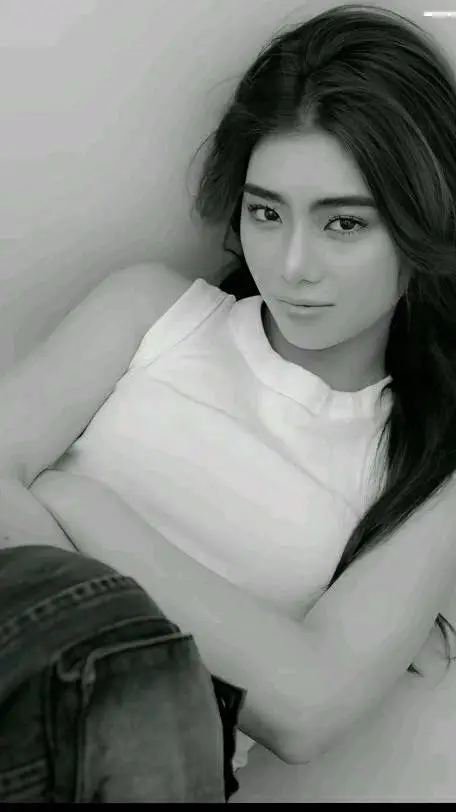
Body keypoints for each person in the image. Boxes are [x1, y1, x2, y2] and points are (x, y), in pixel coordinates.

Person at [1, 0, 456, 801]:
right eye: (266, 212)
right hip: (18, 651)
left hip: (151, 756)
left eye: (344, 225)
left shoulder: (427, 468)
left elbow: (307, 707)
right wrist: (235, 647)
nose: (292, 264)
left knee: (149, 706)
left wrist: (75, 502)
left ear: (424, 222)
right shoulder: (152, 311)